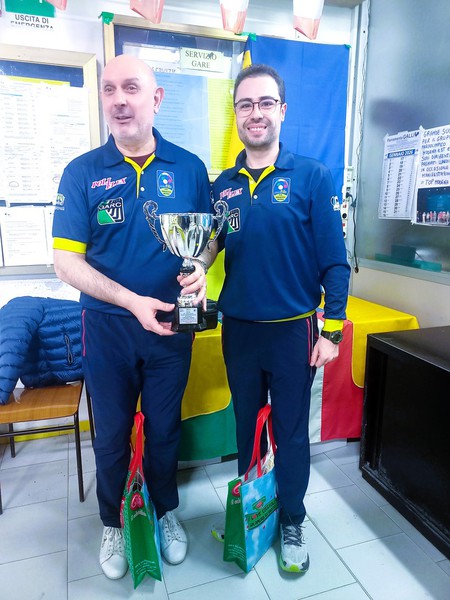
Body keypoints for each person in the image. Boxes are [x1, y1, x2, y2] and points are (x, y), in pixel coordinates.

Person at [52, 54, 215, 580]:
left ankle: (165, 512)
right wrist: (129, 301)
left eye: (131, 88)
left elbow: (208, 240)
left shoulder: (189, 168)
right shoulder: (82, 172)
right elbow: (65, 263)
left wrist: (201, 267)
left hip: (171, 325)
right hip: (107, 330)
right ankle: (113, 521)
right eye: (109, 89)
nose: (119, 100)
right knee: (110, 435)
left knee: (165, 429)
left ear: (156, 98)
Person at [211, 64, 350, 573]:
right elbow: (209, 246)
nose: (256, 113)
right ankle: (253, 514)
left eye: (266, 103)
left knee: (290, 432)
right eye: (245, 104)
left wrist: (332, 331)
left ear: (282, 110)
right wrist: (195, 265)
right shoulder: (223, 186)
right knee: (246, 428)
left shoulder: (312, 176)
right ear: (236, 114)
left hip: (294, 332)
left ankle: (292, 517)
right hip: (239, 332)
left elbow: (335, 262)